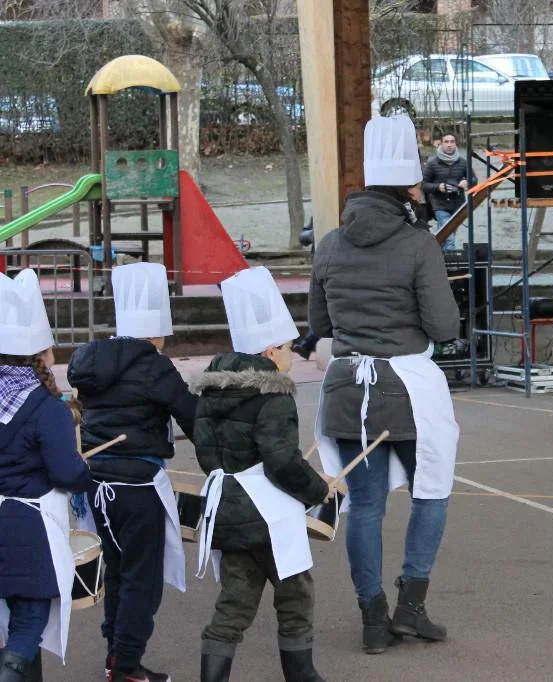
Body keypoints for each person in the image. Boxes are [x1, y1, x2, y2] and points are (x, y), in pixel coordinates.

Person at [308, 114, 461, 654]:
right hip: (408, 385)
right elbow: (444, 327)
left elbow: (320, 324)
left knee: (365, 505)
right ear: (410, 190)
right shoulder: (419, 244)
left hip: (348, 386)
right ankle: (411, 607)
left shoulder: (329, 244)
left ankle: (372, 617)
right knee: (431, 491)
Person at [193, 266, 331, 682]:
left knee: (234, 602)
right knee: (295, 595)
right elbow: (282, 460)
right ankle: (302, 676)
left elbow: (205, 453)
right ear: (271, 352)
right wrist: (318, 489)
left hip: (226, 508)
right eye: (288, 347)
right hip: (269, 515)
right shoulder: (273, 391)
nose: (291, 354)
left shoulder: (211, 388)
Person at [67, 262, 197, 682]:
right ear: (158, 331)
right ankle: (126, 666)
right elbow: (192, 416)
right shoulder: (155, 366)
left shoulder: (91, 359)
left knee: (119, 571)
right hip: (138, 486)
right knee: (143, 579)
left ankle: (115, 655)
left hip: (96, 485)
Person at [0, 270, 92, 681]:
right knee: (28, 622)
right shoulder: (46, 407)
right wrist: (84, 472)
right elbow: (66, 472)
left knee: (8, 623)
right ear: (40, 353)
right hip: (27, 527)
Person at [422, 132, 476, 252]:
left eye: (452, 141)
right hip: (440, 205)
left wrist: (467, 182)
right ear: (441, 144)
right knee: (449, 236)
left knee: (447, 234)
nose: (449, 144)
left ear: (455, 144)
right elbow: (423, 184)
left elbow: (474, 180)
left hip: (458, 204)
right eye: (446, 142)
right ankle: (451, 259)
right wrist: (438, 187)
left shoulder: (463, 162)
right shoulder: (432, 164)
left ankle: (438, 255)